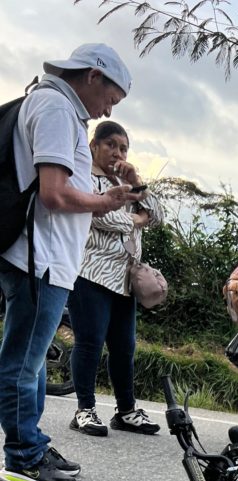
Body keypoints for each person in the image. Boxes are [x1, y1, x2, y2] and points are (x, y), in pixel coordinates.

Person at [0, 43, 133, 481]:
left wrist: (105, 196)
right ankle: (23, 456)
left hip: (42, 258)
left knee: (33, 361)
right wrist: (103, 201)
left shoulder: (55, 106)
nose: (107, 110)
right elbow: (54, 193)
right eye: (111, 98)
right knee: (23, 362)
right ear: (93, 76)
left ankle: (32, 443)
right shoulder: (57, 108)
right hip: (40, 258)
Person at [68, 120, 163, 437]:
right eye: (110, 145)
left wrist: (137, 182)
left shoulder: (126, 183)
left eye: (123, 148)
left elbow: (158, 215)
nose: (117, 153)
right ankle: (84, 409)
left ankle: (126, 411)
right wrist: (137, 219)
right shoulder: (83, 176)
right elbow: (99, 216)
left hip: (125, 279)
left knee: (124, 347)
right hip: (90, 273)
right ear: (94, 145)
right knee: (90, 342)